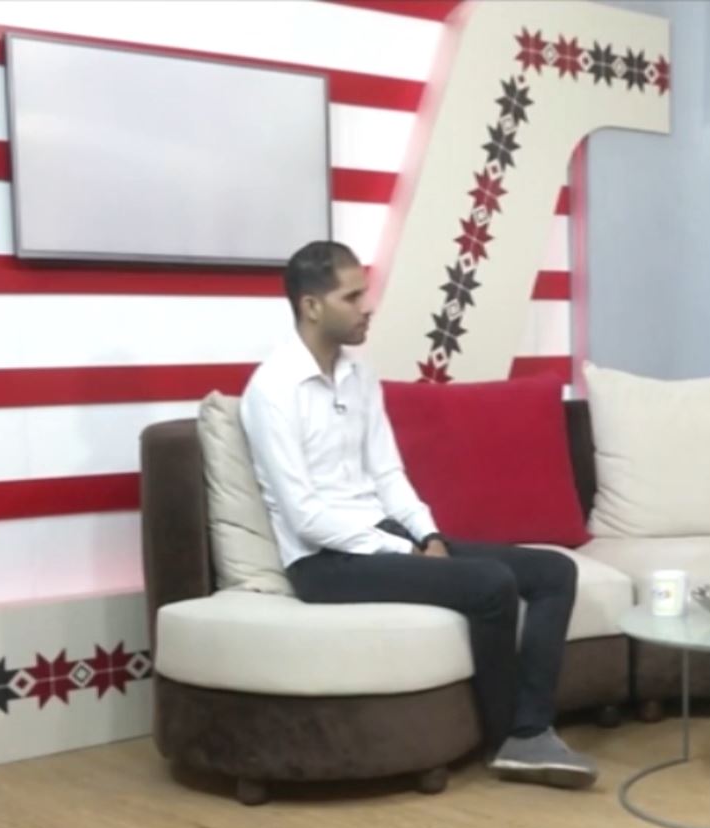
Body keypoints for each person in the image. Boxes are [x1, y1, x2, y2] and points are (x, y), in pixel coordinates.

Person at [240, 240, 597, 789]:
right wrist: (404, 549)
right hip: (325, 562)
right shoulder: (272, 391)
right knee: (491, 584)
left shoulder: (359, 376)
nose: (367, 308)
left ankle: (532, 728)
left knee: (554, 571)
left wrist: (427, 533)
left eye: (365, 294)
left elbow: (387, 474)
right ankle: (511, 737)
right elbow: (305, 516)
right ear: (311, 306)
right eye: (352, 297)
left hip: (384, 537)